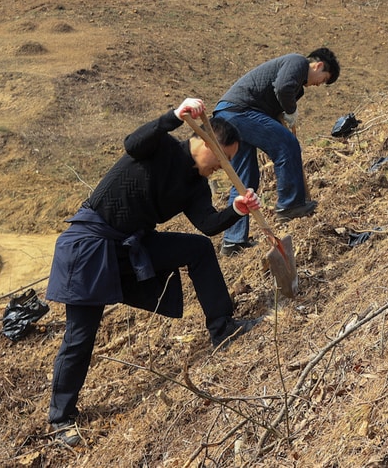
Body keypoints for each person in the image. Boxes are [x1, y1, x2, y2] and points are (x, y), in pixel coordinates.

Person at [45, 97, 265, 446]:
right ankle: (60, 419)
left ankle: (222, 327)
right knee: (80, 335)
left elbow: (207, 225)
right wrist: (173, 116)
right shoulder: (160, 145)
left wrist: (236, 210)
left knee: (199, 249)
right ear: (206, 142)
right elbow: (132, 142)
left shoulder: (195, 186)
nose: (225, 168)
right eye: (224, 158)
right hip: (91, 245)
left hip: (132, 245)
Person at [215, 48, 341, 254]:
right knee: (287, 144)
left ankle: (232, 241)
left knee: (244, 178)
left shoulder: (297, 84)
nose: (319, 84)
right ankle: (290, 205)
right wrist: (291, 110)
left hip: (226, 113)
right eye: (323, 79)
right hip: (241, 111)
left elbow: (276, 100)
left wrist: (283, 113)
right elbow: (282, 88)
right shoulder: (298, 62)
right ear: (318, 66)